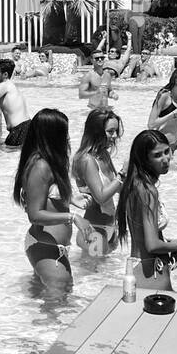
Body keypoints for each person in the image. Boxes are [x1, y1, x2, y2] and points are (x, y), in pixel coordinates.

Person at [13, 107, 77, 288]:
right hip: (44, 245)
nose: (67, 138)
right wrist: (72, 217)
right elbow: (34, 214)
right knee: (58, 301)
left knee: (49, 303)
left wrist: (72, 199)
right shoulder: (39, 166)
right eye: (63, 133)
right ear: (52, 136)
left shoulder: (49, 163)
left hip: (51, 246)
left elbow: (48, 195)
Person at [115, 129, 177, 290]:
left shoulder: (133, 184)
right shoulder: (148, 191)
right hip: (152, 272)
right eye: (157, 155)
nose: (165, 159)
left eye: (167, 151)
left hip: (139, 267)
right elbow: (152, 245)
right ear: (145, 160)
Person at [71, 108, 125, 257]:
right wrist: (122, 174)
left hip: (108, 226)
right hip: (93, 229)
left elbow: (118, 187)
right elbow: (101, 197)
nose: (115, 136)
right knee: (93, 278)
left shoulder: (103, 155)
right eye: (110, 131)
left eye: (116, 131)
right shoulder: (87, 160)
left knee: (102, 277)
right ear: (96, 131)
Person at [0, 59, 32, 145]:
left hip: (20, 129)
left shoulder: (5, 85)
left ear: (5, 74)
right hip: (24, 127)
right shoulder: (8, 85)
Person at [147, 66, 177, 152]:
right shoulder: (164, 95)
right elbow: (151, 124)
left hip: (175, 142)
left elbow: (176, 117)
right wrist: (173, 114)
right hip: (162, 145)